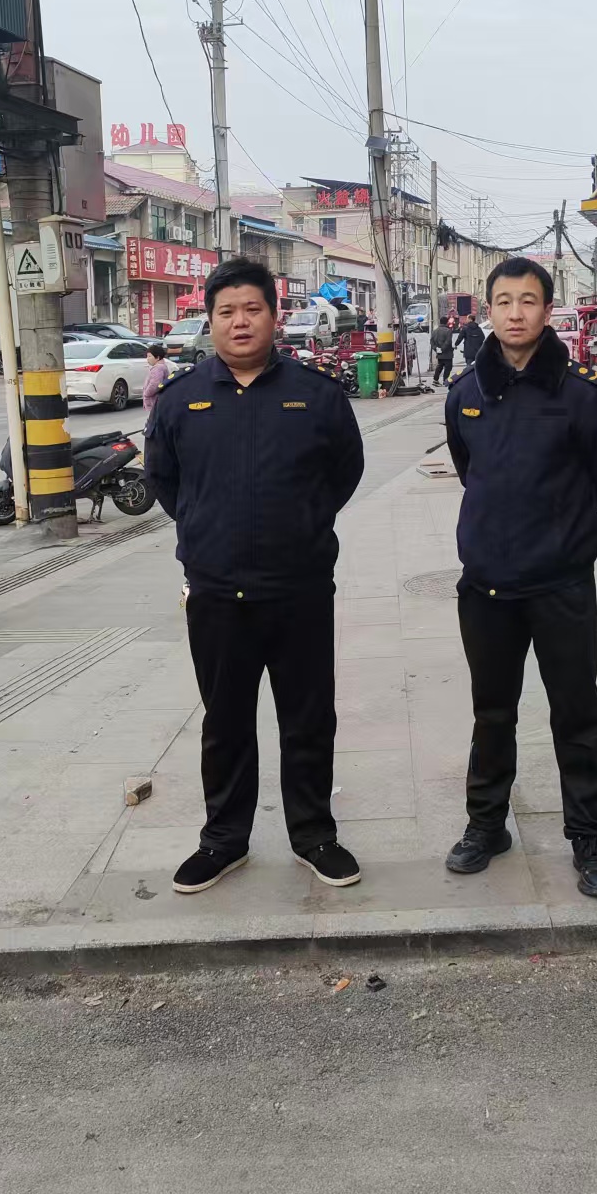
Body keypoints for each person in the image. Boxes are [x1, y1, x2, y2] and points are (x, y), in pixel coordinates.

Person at [146, 257, 366, 896]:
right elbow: (165, 481)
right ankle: (223, 840)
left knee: (308, 717)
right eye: (226, 312)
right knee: (226, 720)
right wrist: (205, 528)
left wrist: (303, 524)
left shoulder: (316, 395)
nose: (239, 322)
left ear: (273, 316)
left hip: (299, 589)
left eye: (252, 309)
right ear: (210, 321)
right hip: (217, 594)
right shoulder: (183, 399)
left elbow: (344, 472)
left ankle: (314, 835)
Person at [443, 258, 597, 898]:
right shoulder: (465, 394)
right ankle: (485, 825)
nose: (515, 313)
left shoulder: (582, 394)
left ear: (547, 311)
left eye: (528, 301)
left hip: (561, 584)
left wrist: (560, 523)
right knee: (492, 712)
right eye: (504, 301)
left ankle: (589, 839)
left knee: (576, 713)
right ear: (488, 311)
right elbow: (468, 469)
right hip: (487, 588)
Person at [141, 342, 172, 422]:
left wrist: (146, 394)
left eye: (149, 356)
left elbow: (155, 384)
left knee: (154, 422)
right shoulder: (160, 367)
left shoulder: (158, 368)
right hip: (157, 401)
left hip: (154, 401)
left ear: (157, 357)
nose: (147, 359)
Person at [430, 316, 455, 385]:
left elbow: (431, 342)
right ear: (447, 322)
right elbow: (448, 342)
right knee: (448, 367)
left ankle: (435, 379)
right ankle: (445, 380)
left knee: (440, 366)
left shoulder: (434, 331)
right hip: (447, 353)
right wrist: (442, 349)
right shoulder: (448, 331)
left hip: (439, 352)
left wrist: (436, 349)